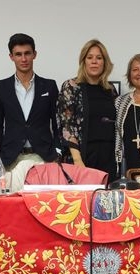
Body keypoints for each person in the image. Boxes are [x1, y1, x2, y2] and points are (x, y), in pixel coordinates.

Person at [0, 33, 59, 191]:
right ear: (11, 57)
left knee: (44, 207)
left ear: (34, 54)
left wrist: (57, 153)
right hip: (11, 159)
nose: (23, 59)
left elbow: (57, 124)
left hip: (44, 157)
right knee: (12, 208)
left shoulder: (49, 86)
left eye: (27, 53)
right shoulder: (1, 87)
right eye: (18, 54)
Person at [57, 39, 119, 181]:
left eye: (99, 58)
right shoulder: (71, 87)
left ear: (105, 62)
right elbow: (66, 126)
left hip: (108, 156)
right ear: (83, 61)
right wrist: (78, 160)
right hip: (82, 156)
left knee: (107, 200)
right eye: (89, 57)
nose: (94, 61)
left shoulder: (111, 90)